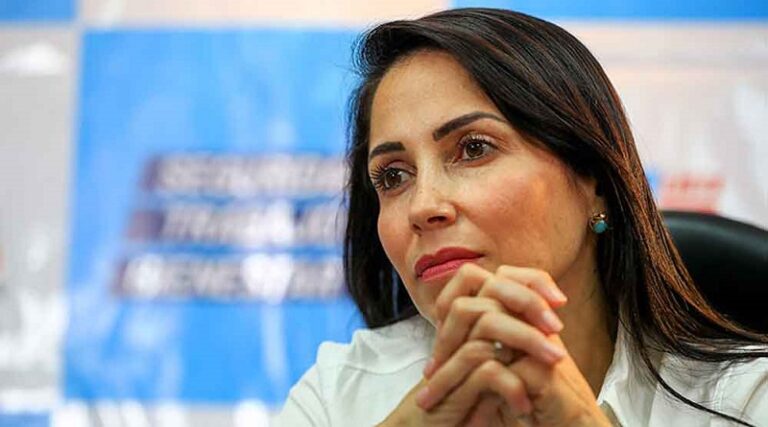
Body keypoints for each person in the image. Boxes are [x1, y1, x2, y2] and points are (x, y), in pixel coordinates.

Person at [275, 8, 768, 427]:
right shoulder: (339, 395)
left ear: (594, 179)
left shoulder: (745, 398)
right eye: (393, 176)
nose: (423, 206)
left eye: (473, 149)